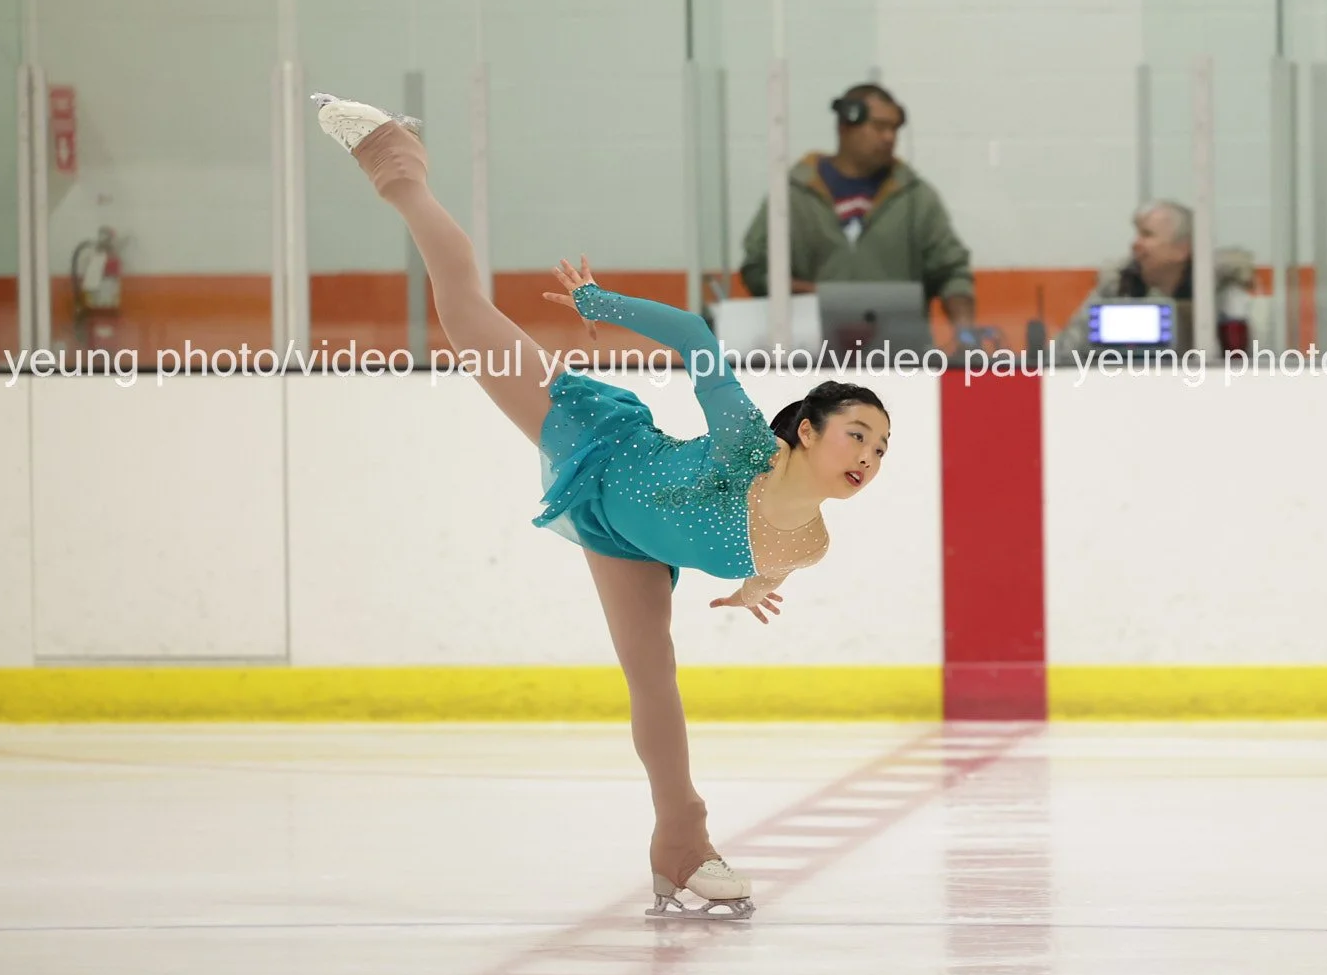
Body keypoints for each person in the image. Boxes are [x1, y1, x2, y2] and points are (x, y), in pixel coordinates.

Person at [310, 92, 890, 922]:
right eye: (858, 434)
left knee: (654, 679)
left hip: (624, 542)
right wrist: (598, 305)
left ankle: (680, 848)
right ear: (805, 430)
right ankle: (396, 163)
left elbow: (773, 560)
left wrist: (754, 588)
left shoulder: (811, 544)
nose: (869, 457)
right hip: (599, 445)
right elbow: (694, 337)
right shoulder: (744, 446)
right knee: (467, 313)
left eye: (881, 448)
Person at [737, 82, 984, 346]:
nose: (889, 137)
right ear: (846, 125)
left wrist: (965, 333)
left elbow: (952, 271)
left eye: (894, 129)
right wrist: (820, 297)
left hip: (901, 358)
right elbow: (757, 271)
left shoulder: (915, 198)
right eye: (879, 127)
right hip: (813, 357)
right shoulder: (793, 197)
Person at [1053, 199, 1255, 358]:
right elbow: (1062, 354)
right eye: (1137, 234)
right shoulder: (1117, 288)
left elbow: (1253, 365)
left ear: (1182, 249)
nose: (1135, 244)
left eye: (1147, 235)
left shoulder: (1223, 296)